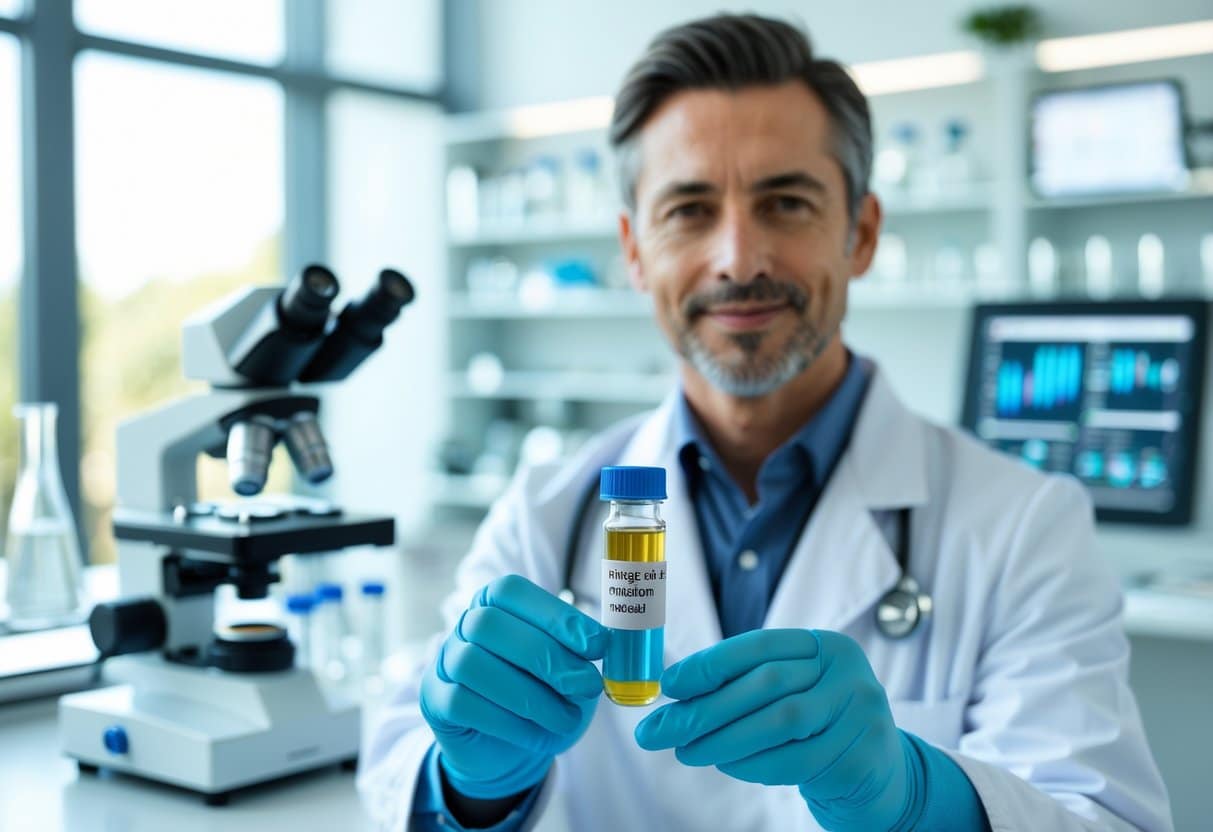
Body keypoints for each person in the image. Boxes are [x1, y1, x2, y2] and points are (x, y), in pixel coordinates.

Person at [359, 13, 1172, 832]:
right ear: (633, 250)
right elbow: (398, 775)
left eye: (785, 202)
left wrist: (920, 799)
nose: (739, 259)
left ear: (859, 233)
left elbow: (1106, 818)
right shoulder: (545, 514)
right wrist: (468, 786)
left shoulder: (1023, 525)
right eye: (688, 209)